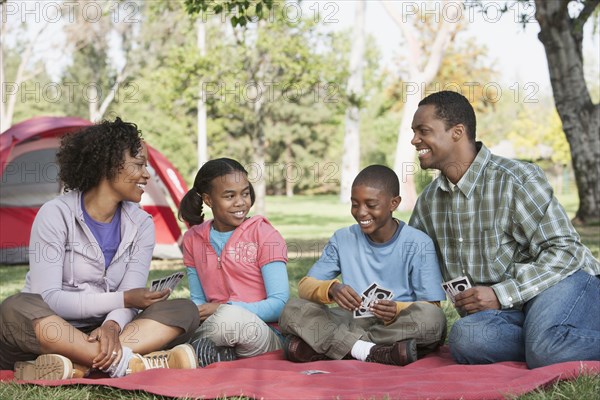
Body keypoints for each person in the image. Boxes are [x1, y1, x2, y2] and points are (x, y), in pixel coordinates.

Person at [408, 90, 600, 368]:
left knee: (544, 350)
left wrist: (500, 294)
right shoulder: (429, 202)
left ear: (457, 132)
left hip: (563, 284)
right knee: (467, 337)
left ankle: (547, 343)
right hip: (512, 314)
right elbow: (412, 266)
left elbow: (566, 252)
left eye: (422, 131)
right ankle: (550, 340)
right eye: (414, 132)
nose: (414, 140)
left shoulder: (516, 179)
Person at [0, 118, 200, 380]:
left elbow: (132, 292)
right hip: (50, 324)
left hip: (105, 330)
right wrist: (124, 299)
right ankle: (124, 361)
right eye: (139, 165)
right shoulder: (55, 214)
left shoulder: (141, 224)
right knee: (16, 307)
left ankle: (80, 363)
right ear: (109, 165)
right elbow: (49, 298)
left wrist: (112, 326)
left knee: (184, 310)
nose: (146, 174)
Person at [279, 165, 447, 366]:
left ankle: (333, 347)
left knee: (433, 320)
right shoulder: (343, 238)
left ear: (394, 203)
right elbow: (305, 286)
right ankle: (373, 351)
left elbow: (432, 306)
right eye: (355, 204)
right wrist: (332, 288)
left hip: (396, 323)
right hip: (352, 320)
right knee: (291, 310)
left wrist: (396, 309)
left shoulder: (419, 243)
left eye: (371, 204)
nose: (361, 212)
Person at [179, 158, 289, 367]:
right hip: (213, 326)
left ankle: (183, 352)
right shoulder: (193, 239)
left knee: (230, 319)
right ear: (208, 200)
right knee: (167, 313)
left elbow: (280, 304)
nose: (240, 202)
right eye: (230, 196)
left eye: (245, 193)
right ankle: (210, 354)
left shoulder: (265, 235)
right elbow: (198, 300)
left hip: (262, 333)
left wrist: (223, 308)